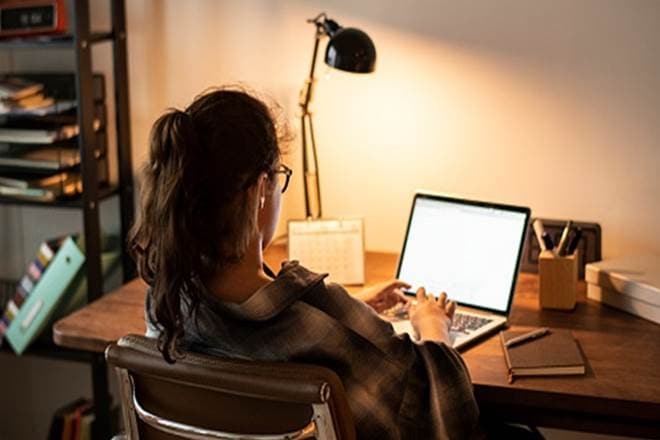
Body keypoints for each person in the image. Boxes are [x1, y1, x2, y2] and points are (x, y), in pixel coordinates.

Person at [129, 87, 483, 439]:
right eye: (279, 177)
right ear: (260, 190)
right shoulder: (319, 318)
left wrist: (346, 311)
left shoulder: (166, 305)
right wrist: (433, 323)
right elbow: (432, 394)